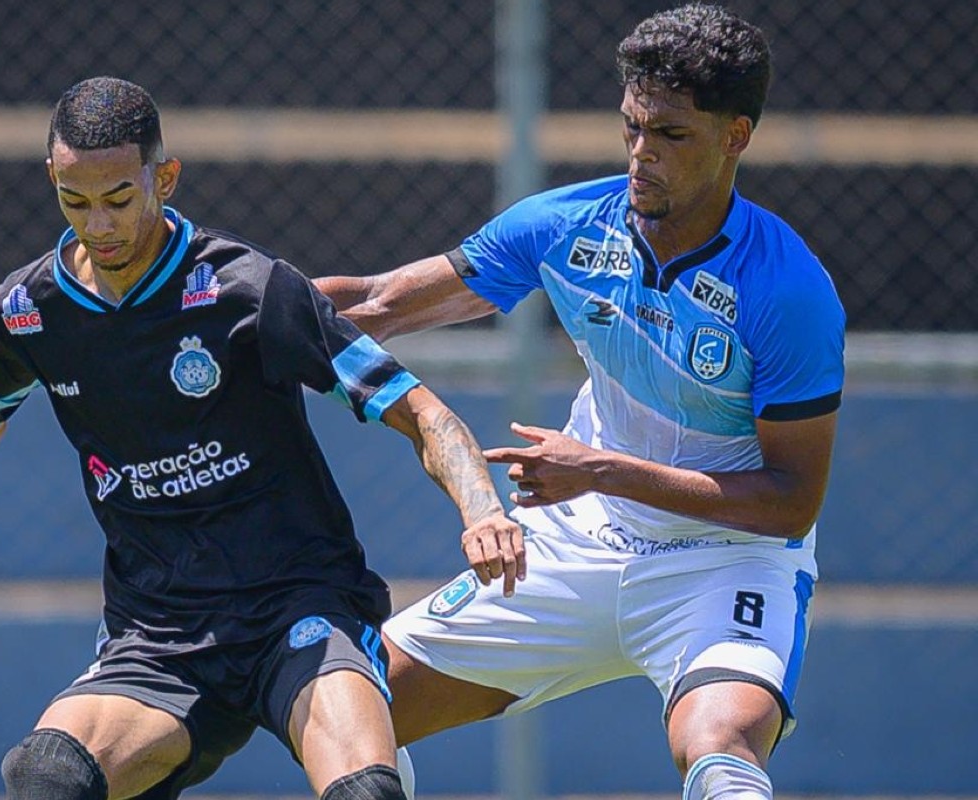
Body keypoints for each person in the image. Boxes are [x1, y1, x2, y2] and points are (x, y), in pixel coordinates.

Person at [0, 76, 524, 800]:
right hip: (160, 634)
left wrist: (482, 509)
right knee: (45, 776)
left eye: (119, 198)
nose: (100, 225)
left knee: (365, 793)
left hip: (300, 611)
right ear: (51, 179)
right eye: (75, 201)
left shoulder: (249, 289)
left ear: (164, 177)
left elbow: (418, 410)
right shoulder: (29, 310)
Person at [315, 5, 845, 799]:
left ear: (735, 137)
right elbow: (381, 300)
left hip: (725, 555)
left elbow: (789, 504)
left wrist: (601, 469)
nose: (641, 155)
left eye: (671, 136)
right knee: (352, 710)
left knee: (720, 745)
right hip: (578, 537)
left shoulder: (788, 290)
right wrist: (229, 306)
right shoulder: (567, 225)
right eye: (632, 127)